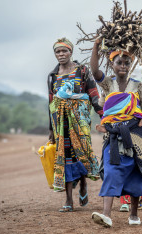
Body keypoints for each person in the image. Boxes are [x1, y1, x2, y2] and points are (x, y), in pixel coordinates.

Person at [90, 38, 142, 227]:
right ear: (112, 65)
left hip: (136, 135)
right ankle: (106, 215)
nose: (123, 66)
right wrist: (96, 46)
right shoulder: (107, 84)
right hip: (113, 136)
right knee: (111, 170)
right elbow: (94, 71)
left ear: (130, 66)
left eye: (126, 63)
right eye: (119, 63)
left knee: (136, 173)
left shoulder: (138, 86)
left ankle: (133, 214)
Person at [47, 38, 103, 212]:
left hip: (80, 121)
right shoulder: (52, 76)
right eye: (58, 52)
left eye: (64, 51)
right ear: (55, 54)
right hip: (61, 124)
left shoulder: (82, 71)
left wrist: (104, 117)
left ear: (71, 52)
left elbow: (94, 94)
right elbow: (51, 103)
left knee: (81, 153)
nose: (61, 54)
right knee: (65, 157)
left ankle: (84, 184)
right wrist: (51, 129)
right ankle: (69, 200)